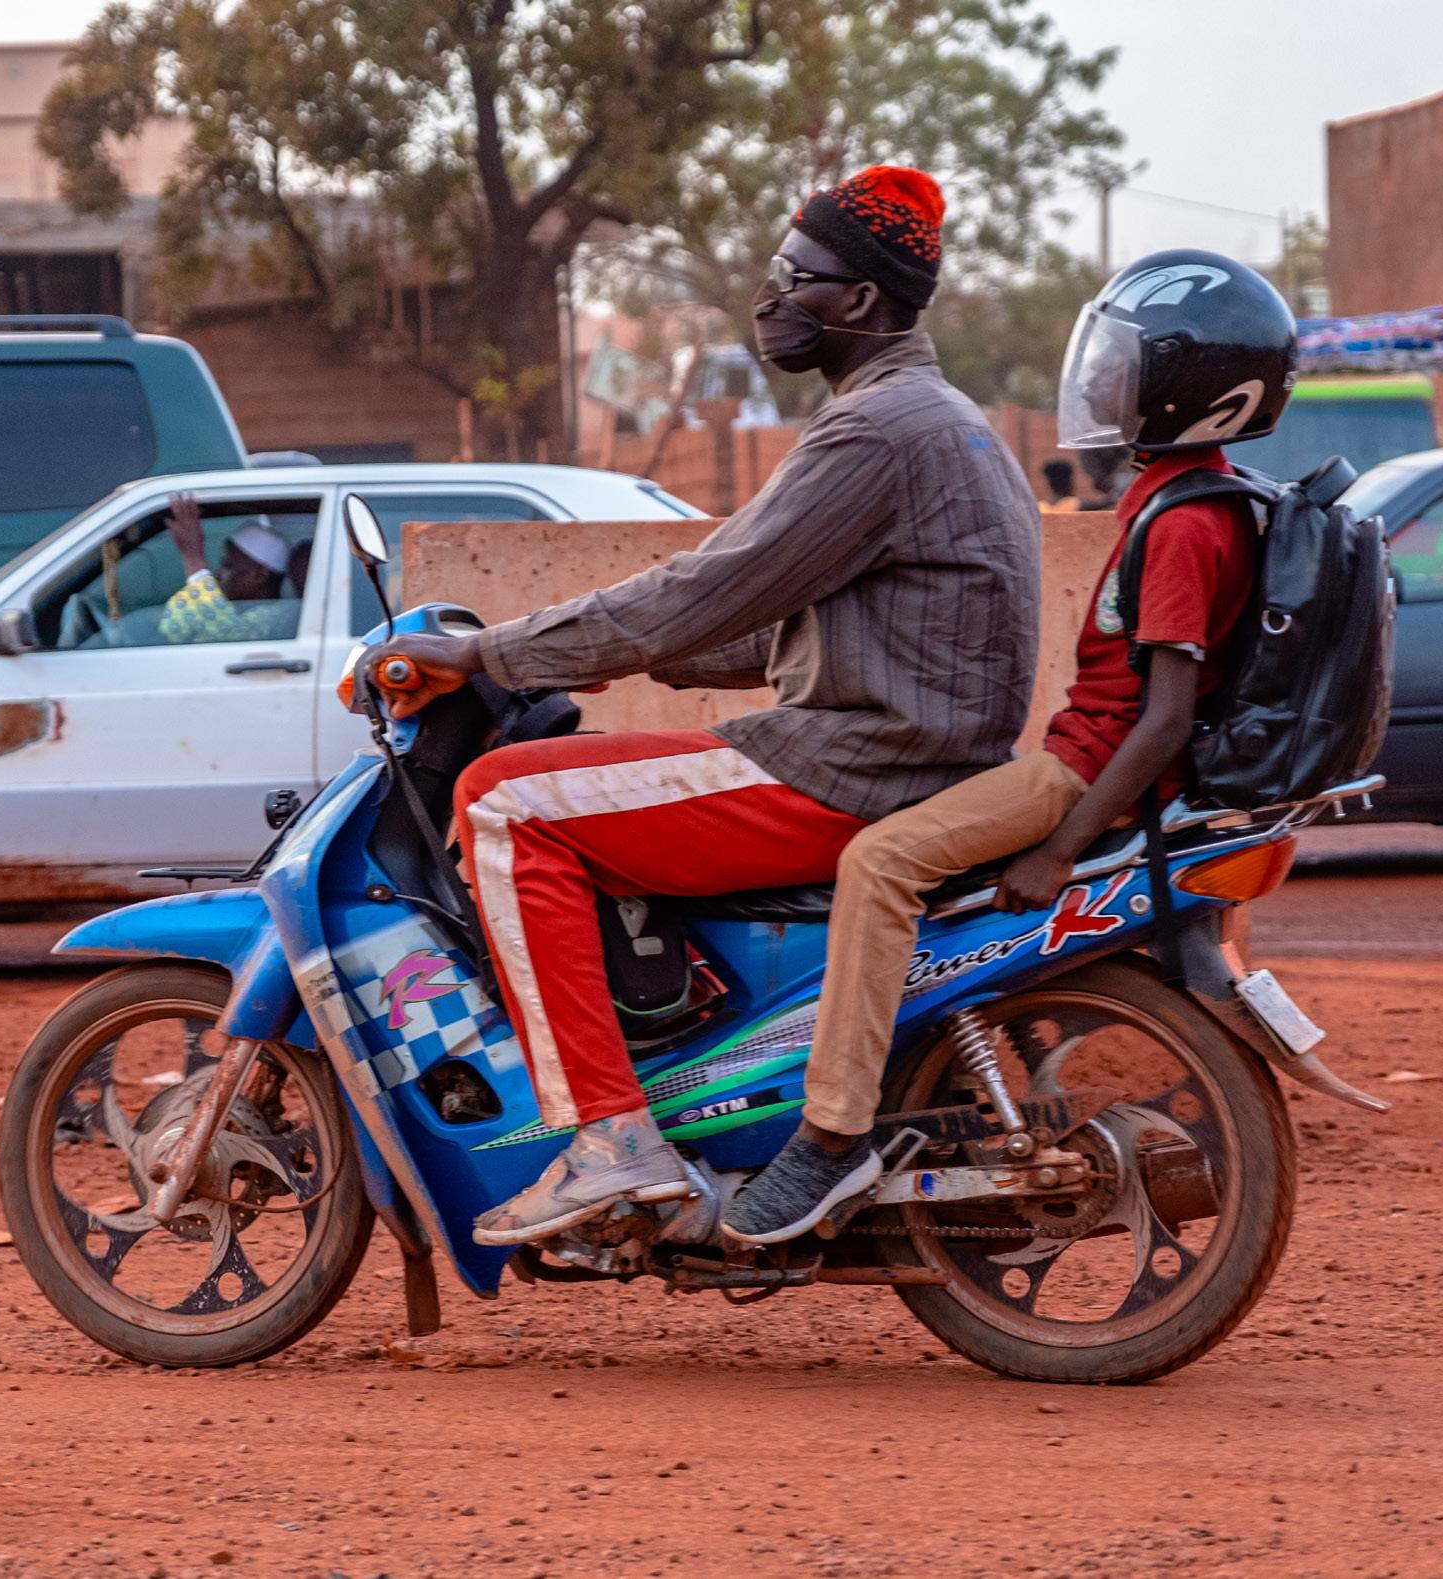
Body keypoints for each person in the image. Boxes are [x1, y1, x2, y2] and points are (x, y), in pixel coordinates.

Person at [357, 166, 1042, 1246]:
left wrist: (490, 652)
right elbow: (796, 624)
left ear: (860, 300)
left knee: (501, 803)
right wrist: (602, 659)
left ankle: (609, 1137)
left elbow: (703, 588)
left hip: (848, 766)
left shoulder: (872, 433)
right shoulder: (943, 421)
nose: (771, 300)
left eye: (794, 277)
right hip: (912, 758)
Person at [722, 249, 1297, 1243]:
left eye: (1129, 369)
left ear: (1191, 389)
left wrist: (1060, 848)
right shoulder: (1201, 495)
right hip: (1084, 759)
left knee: (881, 860)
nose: (1106, 385)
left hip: (1081, 771)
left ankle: (831, 1136)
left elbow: (1161, 715)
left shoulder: (1183, 524)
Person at [156, 493, 300, 644]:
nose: (218, 575)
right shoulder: (232, 609)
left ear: (260, 574)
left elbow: (227, 636)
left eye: (227, 566)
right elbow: (171, 628)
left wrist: (194, 558)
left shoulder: (275, 617)